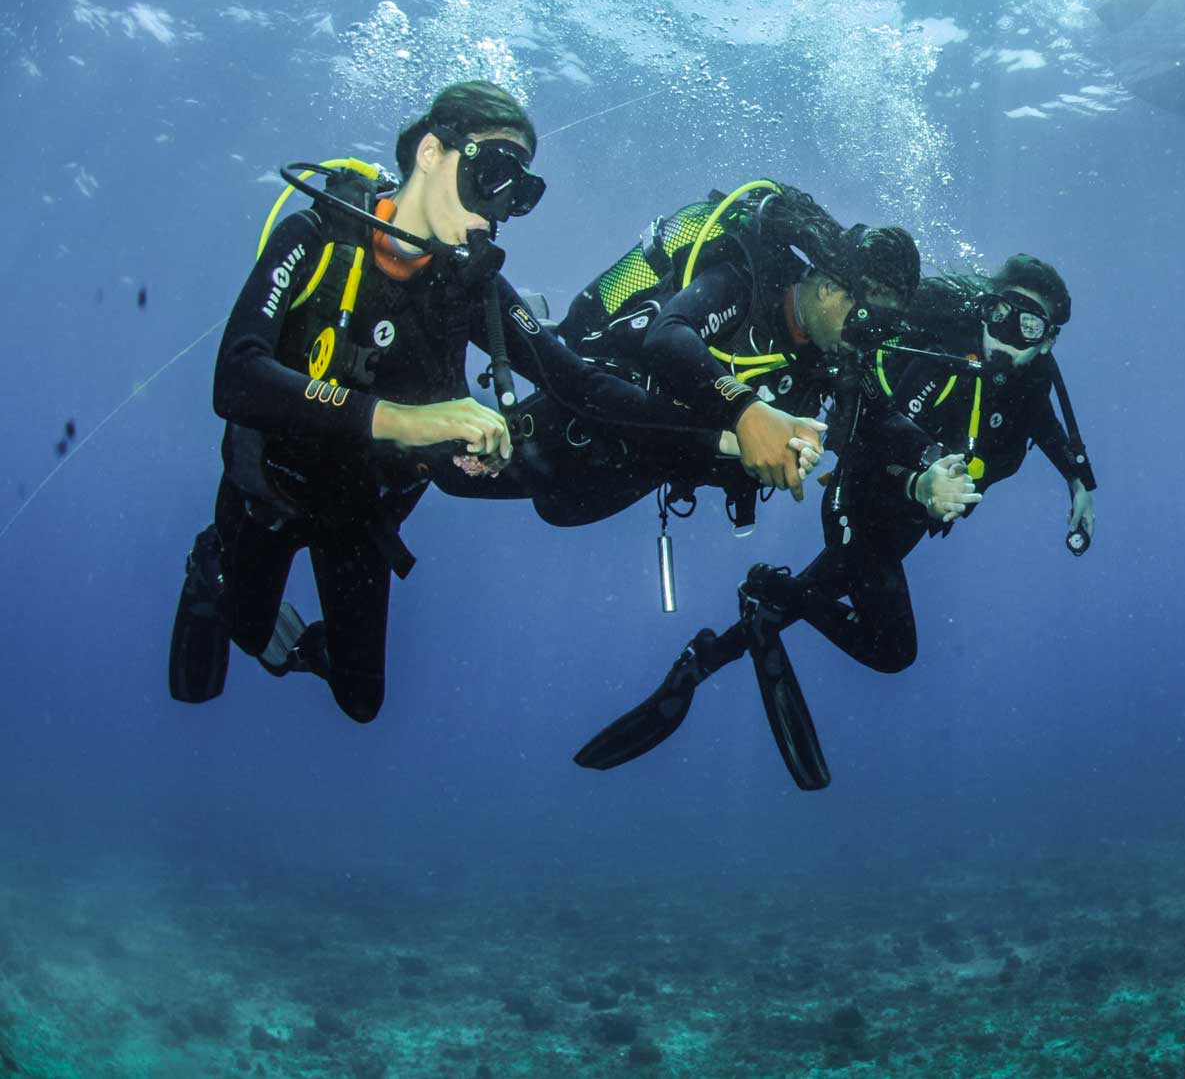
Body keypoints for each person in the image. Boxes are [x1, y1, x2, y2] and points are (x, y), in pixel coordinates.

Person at [167, 81, 693, 723]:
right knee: (249, 633)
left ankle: (297, 646)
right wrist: (408, 422)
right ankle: (212, 561)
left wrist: (729, 427)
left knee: (361, 702)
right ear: (430, 153)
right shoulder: (316, 235)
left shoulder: (468, 287)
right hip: (269, 495)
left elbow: (574, 380)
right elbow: (237, 379)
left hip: (359, 513)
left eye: (517, 193)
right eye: (494, 173)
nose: (498, 208)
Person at [574, 254, 1098, 789]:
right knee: (891, 649)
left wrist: (1080, 481)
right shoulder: (937, 358)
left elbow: (1045, 424)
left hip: (906, 523)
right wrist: (918, 482)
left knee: (818, 590)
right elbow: (866, 433)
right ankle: (760, 597)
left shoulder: (1030, 381)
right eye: (999, 313)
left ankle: (711, 653)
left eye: (1027, 326)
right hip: (863, 500)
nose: (1006, 335)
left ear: (1047, 341)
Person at [506, 182, 923, 534]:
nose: (867, 341)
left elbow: (877, 419)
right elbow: (667, 337)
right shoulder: (749, 282)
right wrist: (747, 411)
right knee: (451, 472)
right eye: (867, 323)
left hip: (637, 470)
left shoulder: (829, 357)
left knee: (555, 509)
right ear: (830, 287)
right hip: (580, 418)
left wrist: (929, 469)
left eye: (882, 332)